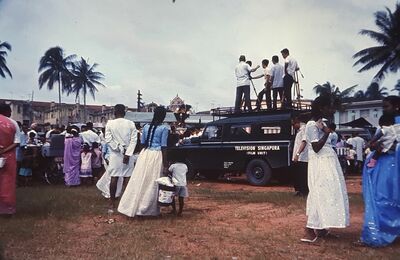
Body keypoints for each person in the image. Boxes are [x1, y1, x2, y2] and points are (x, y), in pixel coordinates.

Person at [301, 96, 349, 243]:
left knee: (330, 192)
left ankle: (322, 229)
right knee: (319, 192)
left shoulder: (321, 123)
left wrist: (325, 129)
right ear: (321, 108)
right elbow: (315, 148)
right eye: (329, 107)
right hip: (320, 162)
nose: (332, 110)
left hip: (328, 161)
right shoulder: (311, 125)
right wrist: (327, 132)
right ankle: (309, 228)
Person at [359, 95, 400, 247]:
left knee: (387, 199)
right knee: (382, 199)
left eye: (386, 107)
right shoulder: (385, 126)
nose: (384, 110)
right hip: (384, 165)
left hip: (392, 165)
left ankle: (385, 233)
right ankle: (382, 231)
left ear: (397, 107)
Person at [118, 106, 169, 217]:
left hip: (145, 154)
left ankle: (135, 206)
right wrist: (165, 164)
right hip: (156, 155)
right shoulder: (164, 128)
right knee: (152, 181)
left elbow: (142, 143)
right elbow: (164, 147)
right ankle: (148, 208)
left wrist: (141, 157)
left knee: (140, 179)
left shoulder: (146, 127)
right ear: (163, 116)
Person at [105, 104, 138, 211]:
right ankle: (128, 202)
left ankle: (112, 202)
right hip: (127, 154)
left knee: (114, 178)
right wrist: (127, 153)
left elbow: (108, 139)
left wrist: (118, 148)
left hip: (115, 154)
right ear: (124, 113)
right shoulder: (130, 123)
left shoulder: (110, 123)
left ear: (115, 112)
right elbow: (134, 140)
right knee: (127, 178)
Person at [0, 103, 20, 216]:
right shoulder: (12, 123)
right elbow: (17, 142)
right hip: (8, 157)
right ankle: (6, 210)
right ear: (7, 111)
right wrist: (3, 151)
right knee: (7, 182)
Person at [292, 114, 309, 197]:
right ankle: (300, 191)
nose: (293, 126)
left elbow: (304, 142)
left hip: (303, 157)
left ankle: (304, 192)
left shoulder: (304, 129)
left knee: (303, 175)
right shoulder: (300, 130)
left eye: (293, 124)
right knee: (298, 174)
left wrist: (297, 154)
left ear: (297, 122)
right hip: (299, 157)